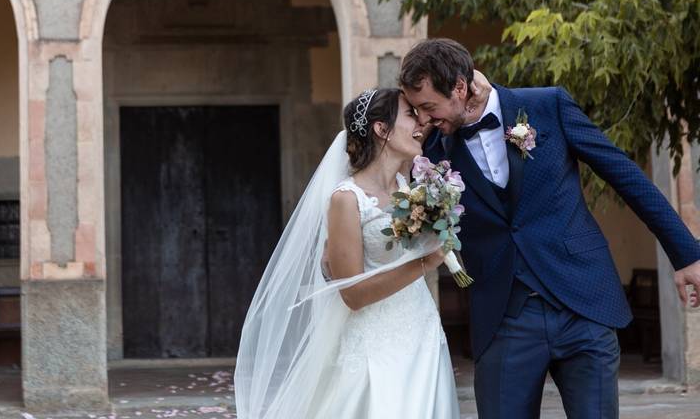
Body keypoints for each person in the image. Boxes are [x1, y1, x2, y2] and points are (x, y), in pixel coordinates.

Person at [400, 37, 700, 419]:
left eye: (429, 106)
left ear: (460, 87)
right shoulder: (431, 153)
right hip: (503, 318)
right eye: (417, 109)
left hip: (583, 304)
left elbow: (625, 177)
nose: (424, 118)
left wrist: (687, 253)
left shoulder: (548, 105)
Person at [235, 88, 459, 419]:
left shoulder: (413, 189)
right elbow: (352, 295)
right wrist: (427, 262)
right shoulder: (346, 199)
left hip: (422, 336)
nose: (421, 122)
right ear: (381, 129)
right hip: (374, 346)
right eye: (411, 115)